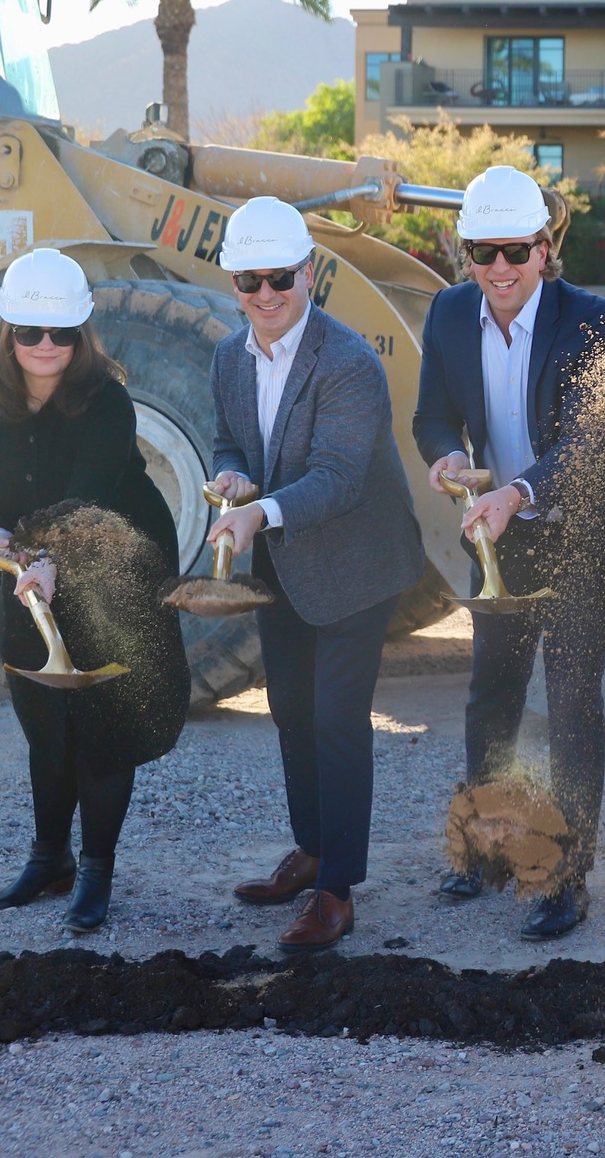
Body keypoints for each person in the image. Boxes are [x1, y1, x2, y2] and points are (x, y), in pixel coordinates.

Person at [412, 167, 605, 940]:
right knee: (493, 692)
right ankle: (486, 847)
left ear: (545, 248)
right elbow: (431, 416)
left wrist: (514, 492)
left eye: (516, 251)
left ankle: (564, 877)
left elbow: (592, 442)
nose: (500, 270)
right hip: (507, 531)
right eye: (483, 253)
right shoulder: (450, 315)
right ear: (466, 254)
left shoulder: (596, 321)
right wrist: (448, 455)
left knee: (571, 698)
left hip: (585, 526)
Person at [0, 248, 190, 935]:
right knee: (45, 719)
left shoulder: (106, 401)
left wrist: (51, 555)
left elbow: (93, 491)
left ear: (82, 334)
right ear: (8, 334)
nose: (46, 346)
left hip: (117, 567)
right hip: (28, 573)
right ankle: (48, 858)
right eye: (31, 333)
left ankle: (96, 868)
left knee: (104, 722)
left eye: (61, 333)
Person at [209, 197, 427, 953]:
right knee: (290, 712)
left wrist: (257, 513)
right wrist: (232, 480)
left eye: (279, 278)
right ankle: (309, 849)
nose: (265, 295)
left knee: (335, 721)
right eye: (249, 281)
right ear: (232, 283)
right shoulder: (226, 357)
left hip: (359, 561)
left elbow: (336, 479)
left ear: (310, 274)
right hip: (286, 561)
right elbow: (224, 442)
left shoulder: (349, 364)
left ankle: (336, 889)